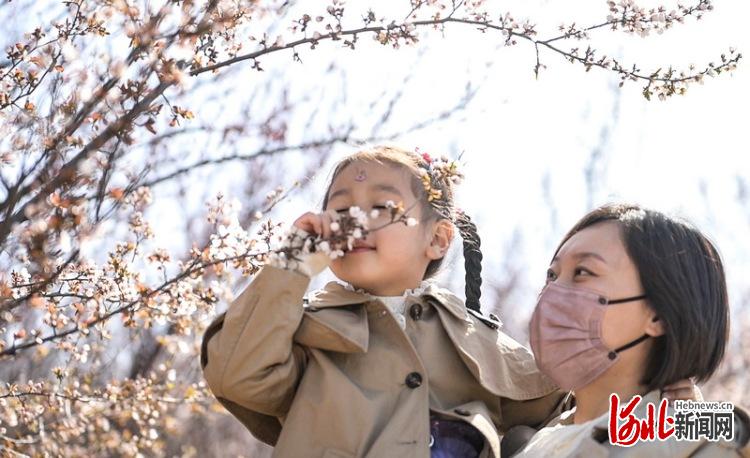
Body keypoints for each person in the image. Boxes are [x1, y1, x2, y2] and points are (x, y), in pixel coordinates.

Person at [200, 146, 566, 458]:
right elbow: (240, 376)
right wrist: (294, 263)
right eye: (341, 212)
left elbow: (563, 408)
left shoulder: (469, 337)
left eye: (382, 207)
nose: (356, 221)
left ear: (438, 239)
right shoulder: (303, 329)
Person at [510, 203, 750, 457]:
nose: (553, 293)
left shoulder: (696, 444)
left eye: (582, 272)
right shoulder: (536, 441)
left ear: (658, 314)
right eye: (552, 275)